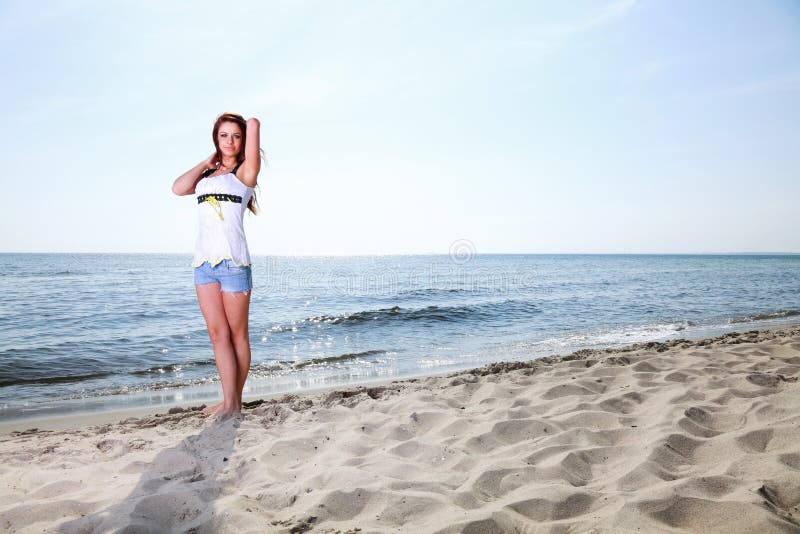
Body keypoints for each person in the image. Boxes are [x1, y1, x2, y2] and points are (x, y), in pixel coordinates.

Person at [171, 112, 262, 417]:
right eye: (224, 135)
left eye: (235, 136)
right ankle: (228, 400)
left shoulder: (245, 173)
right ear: (216, 139)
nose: (229, 141)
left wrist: (247, 125)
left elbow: (253, 124)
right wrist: (205, 163)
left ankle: (234, 404)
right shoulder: (206, 177)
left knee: (238, 336)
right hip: (204, 265)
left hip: (234, 264)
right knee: (216, 335)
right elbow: (178, 187)